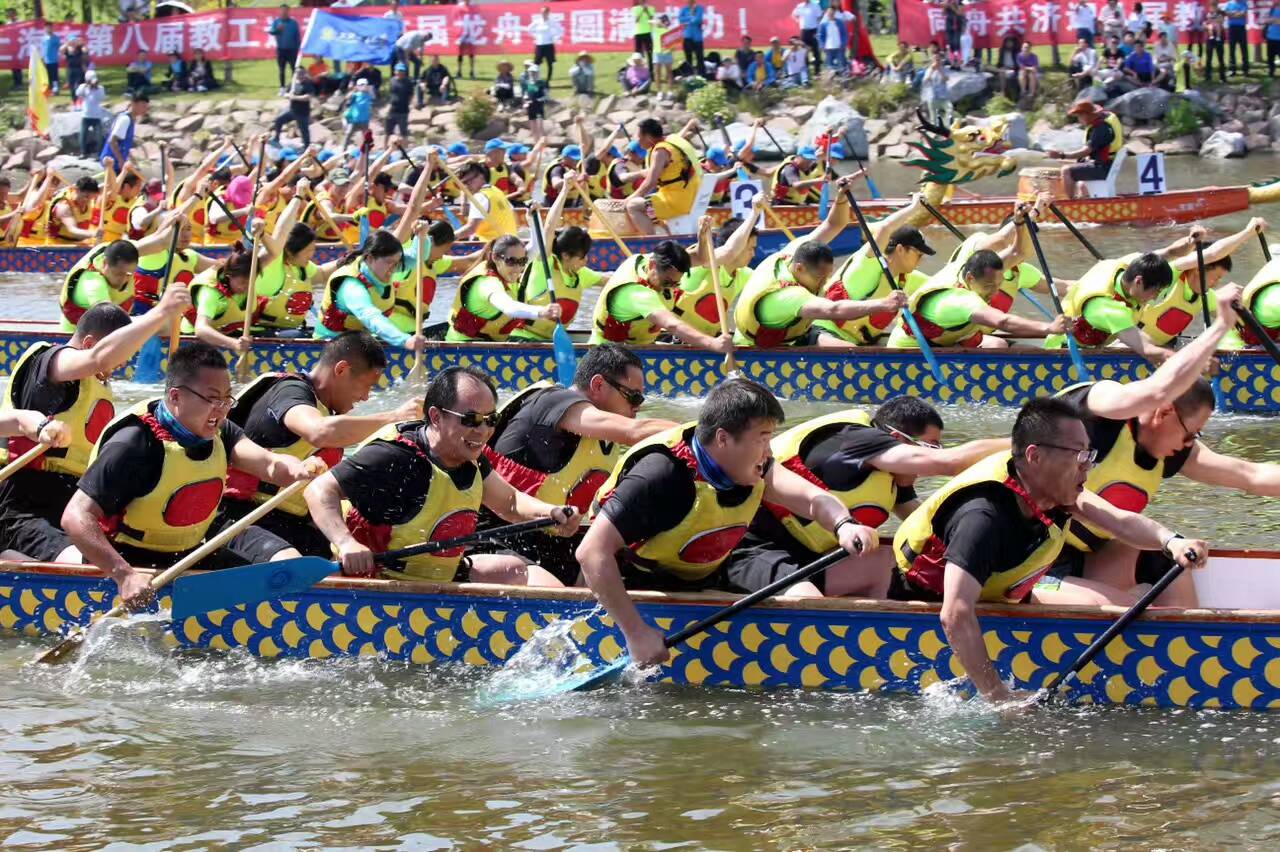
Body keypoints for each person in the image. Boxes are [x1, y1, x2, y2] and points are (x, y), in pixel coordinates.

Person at [891, 397, 1206, 704]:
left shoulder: (1056, 488)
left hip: (1004, 589)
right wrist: (998, 696)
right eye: (1078, 454)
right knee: (1104, 606)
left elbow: (1121, 522)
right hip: (931, 599)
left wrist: (1171, 541)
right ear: (1035, 456)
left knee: (1117, 604)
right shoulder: (982, 517)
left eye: (1090, 453)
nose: (1088, 465)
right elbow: (955, 615)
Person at [577, 378, 877, 664]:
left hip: (729, 556)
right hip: (645, 573)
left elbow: (813, 499)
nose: (769, 451)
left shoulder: (756, 464)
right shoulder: (661, 475)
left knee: (808, 602)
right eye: (762, 439)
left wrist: (844, 524)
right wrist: (635, 633)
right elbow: (591, 552)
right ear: (723, 438)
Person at [1036, 298, 1280, 609]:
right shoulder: (1101, 407)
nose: (1190, 443)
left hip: (1088, 553)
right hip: (1031, 554)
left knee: (1168, 560)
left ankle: (1185, 632)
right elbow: (1156, 389)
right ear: (1163, 413)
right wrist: (1221, 326)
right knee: (1128, 604)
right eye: (1189, 433)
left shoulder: (1172, 448)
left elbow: (1251, 476)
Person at [62, 343, 326, 605]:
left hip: (192, 551)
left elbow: (268, 464)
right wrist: (124, 575)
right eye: (212, 398)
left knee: (286, 572)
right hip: (131, 562)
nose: (221, 409)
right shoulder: (133, 444)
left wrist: (298, 469)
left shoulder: (221, 431)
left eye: (227, 398)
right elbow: (75, 516)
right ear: (176, 397)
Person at [305, 366, 580, 583]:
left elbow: (510, 503)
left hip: (436, 574)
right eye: (471, 420)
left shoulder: (470, 456)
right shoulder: (395, 456)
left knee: (517, 569)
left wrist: (551, 513)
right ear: (436, 417)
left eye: (491, 420)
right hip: (381, 581)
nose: (483, 431)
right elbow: (318, 490)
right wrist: (346, 543)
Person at [729, 397, 1009, 598]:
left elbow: (928, 526)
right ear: (898, 439)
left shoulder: (891, 480)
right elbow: (948, 463)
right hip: (753, 551)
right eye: (930, 447)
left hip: (805, 556)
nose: (932, 455)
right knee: (808, 600)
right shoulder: (855, 439)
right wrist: (1020, 443)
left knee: (889, 561)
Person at [0, 293, 191, 564]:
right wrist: (160, 312)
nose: (121, 364)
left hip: (76, 501)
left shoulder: (96, 385)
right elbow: (99, 358)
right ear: (89, 344)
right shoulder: (51, 361)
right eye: (120, 356)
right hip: (26, 505)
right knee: (90, 563)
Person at [484, 345, 677, 583]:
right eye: (634, 396)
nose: (639, 406)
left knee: (658, 573)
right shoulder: (555, 401)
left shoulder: (603, 434)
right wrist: (704, 433)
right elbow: (634, 431)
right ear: (598, 385)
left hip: (552, 542)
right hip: (497, 541)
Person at [223, 332, 422, 557]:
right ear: (341, 370)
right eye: (366, 386)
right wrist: (394, 417)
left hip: (288, 521)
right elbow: (318, 432)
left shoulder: (326, 409)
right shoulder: (290, 391)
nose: (366, 397)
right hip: (242, 517)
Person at [734, 186, 909, 348]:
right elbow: (834, 309)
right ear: (799, 268)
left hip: (798, 333)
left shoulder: (795, 251)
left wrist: (841, 198)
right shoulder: (787, 296)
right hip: (754, 347)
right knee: (852, 353)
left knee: (847, 348)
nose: (825, 284)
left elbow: (833, 224)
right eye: (819, 278)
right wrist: (884, 303)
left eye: (827, 276)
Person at [887, 246, 1068, 351]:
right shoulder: (960, 301)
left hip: (943, 346)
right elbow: (1003, 322)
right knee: (1006, 349)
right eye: (989, 286)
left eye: (998, 286)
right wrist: (1049, 328)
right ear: (970, 278)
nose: (994, 292)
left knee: (1015, 348)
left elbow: (1017, 251)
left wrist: (1022, 220)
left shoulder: (963, 268)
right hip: (909, 354)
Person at [812, 200, 933, 346]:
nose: (921, 260)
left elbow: (941, 284)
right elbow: (885, 229)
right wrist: (914, 207)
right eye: (919, 254)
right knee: (854, 353)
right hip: (824, 332)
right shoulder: (868, 261)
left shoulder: (906, 278)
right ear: (900, 249)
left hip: (859, 342)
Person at [318, 230, 426, 355]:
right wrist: (404, 340)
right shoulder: (352, 286)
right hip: (331, 348)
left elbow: (416, 257)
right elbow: (371, 316)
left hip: (356, 343)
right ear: (370, 258)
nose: (393, 269)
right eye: (390, 263)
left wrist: (421, 235)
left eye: (396, 263)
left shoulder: (380, 267)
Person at [446, 234, 559, 342]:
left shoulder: (507, 269)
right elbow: (509, 308)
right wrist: (542, 311)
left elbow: (537, 246)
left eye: (522, 261)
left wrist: (537, 221)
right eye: (511, 261)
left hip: (489, 344)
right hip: (464, 345)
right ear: (495, 257)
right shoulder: (487, 284)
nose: (517, 268)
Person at [623, 117, 702, 235]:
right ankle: (665, 234)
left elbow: (651, 182)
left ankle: (652, 242)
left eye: (639, 138)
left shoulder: (660, 151)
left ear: (648, 137)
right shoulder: (671, 141)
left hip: (676, 201)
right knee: (646, 202)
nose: (638, 142)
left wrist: (629, 198)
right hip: (686, 195)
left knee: (633, 206)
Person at [1046, 100, 1125, 199]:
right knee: (1077, 168)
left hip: (1104, 168)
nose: (1079, 120)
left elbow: (1086, 151)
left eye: (1079, 116)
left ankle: (1070, 203)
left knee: (1066, 171)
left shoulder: (1101, 128)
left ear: (1087, 115)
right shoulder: (1106, 118)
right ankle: (1082, 199)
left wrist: (1062, 155)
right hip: (1107, 164)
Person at [451, 160, 519, 243]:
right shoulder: (496, 191)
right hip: (510, 243)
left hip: (492, 245)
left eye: (469, 181)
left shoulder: (480, 197)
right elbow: (514, 215)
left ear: (481, 177)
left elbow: (470, 229)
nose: (466, 186)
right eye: (464, 183)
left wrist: (448, 238)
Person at [101, 92, 149, 170]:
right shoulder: (125, 119)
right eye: (143, 106)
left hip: (116, 162)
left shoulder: (131, 119)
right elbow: (112, 141)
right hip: (111, 162)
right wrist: (121, 160)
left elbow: (123, 144)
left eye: (147, 107)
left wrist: (133, 160)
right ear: (133, 104)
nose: (145, 110)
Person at [273, 66, 316, 147]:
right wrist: (288, 95)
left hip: (302, 112)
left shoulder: (307, 84)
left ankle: (306, 147)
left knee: (304, 131)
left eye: (302, 73)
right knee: (279, 120)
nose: (300, 75)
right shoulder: (293, 83)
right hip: (292, 110)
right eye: (298, 73)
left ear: (305, 73)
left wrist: (295, 97)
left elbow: (308, 97)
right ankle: (276, 138)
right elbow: (285, 94)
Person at [77, 70, 108, 158]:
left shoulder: (100, 88)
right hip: (86, 115)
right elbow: (78, 94)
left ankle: (98, 153)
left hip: (96, 115)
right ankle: (83, 152)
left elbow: (102, 97)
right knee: (83, 135)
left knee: (98, 136)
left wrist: (96, 88)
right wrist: (86, 86)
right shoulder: (83, 87)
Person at [267, 6, 299, 92]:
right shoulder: (277, 22)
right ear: (280, 11)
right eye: (282, 11)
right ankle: (282, 88)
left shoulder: (293, 22)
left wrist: (298, 48)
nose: (284, 12)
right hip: (281, 50)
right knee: (282, 69)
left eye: (286, 11)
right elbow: (271, 32)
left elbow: (297, 36)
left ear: (289, 12)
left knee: (294, 69)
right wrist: (277, 30)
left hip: (292, 50)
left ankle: (294, 87)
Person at [384, 63, 412, 145]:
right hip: (392, 110)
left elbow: (411, 95)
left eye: (402, 71)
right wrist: (388, 106)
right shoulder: (392, 81)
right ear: (395, 71)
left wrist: (409, 104)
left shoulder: (408, 82)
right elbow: (390, 94)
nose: (400, 73)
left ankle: (405, 150)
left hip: (403, 111)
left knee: (404, 133)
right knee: (388, 132)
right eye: (399, 71)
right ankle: (384, 147)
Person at [921, 52, 952, 127]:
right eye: (935, 59)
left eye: (938, 59)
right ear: (932, 60)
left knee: (949, 108)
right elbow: (925, 81)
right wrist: (932, 71)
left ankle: (947, 126)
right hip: (932, 95)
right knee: (933, 115)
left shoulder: (945, 69)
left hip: (943, 95)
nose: (937, 61)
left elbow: (946, 79)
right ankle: (934, 128)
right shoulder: (929, 70)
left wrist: (940, 70)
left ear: (941, 60)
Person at [792, 0, 823, 75]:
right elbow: (794, 14)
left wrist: (817, 26)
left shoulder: (815, 6)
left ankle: (817, 71)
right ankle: (806, 71)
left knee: (815, 51)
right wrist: (798, 20)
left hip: (813, 31)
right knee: (804, 52)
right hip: (804, 31)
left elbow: (820, 16)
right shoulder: (800, 6)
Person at [342, 79, 374, 149]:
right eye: (362, 85)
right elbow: (347, 100)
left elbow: (373, 98)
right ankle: (343, 149)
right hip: (354, 119)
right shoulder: (355, 95)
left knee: (366, 136)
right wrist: (353, 90)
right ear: (358, 86)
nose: (364, 86)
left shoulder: (369, 95)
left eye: (365, 84)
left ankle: (366, 151)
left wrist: (369, 89)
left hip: (365, 120)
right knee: (348, 134)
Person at [529, 6, 557, 81]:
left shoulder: (552, 21)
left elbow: (560, 30)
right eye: (542, 12)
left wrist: (554, 37)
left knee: (550, 63)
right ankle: (536, 79)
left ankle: (548, 79)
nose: (543, 14)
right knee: (536, 63)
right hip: (540, 45)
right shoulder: (537, 21)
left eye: (545, 12)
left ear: (548, 13)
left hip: (549, 45)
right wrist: (535, 37)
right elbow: (529, 29)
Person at [522, 62, 549, 139]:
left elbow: (546, 96)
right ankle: (536, 142)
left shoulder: (542, 83)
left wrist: (538, 100)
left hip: (539, 106)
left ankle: (543, 142)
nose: (533, 74)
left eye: (534, 72)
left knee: (540, 125)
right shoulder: (528, 83)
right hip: (530, 106)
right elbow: (525, 94)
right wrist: (525, 101)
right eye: (531, 72)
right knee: (533, 127)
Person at [679, 0, 706, 75]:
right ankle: (689, 73)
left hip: (697, 37)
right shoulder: (684, 9)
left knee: (699, 57)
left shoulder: (699, 9)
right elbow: (680, 20)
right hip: (687, 36)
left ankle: (701, 73)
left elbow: (698, 20)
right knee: (688, 57)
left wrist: (688, 20)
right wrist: (691, 17)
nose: (690, 2)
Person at [1223, 0, 1249, 75]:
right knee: (1232, 49)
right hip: (1232, 28)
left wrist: (1232, 14)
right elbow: (1226, 13)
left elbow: (1243, 14)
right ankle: (1232, 70)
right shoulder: (1229, 3)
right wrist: (1237, 13)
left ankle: (1245, 69)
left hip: (1241, 28)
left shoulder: (1244, 2)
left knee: (1243, 49)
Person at [456, 0, 479, 80]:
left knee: (471, 53)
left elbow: (477, 16)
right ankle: (459, 72)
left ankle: (472, 72)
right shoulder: (459, 6)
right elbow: (455, 16)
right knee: (460, 53)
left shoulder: (474, 5)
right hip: (461, 31)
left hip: (471, 32)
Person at [633, 0, 656, 68]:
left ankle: (651, 70)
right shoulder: (635, 8)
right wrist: (642, 10)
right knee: (638, 53)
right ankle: (639, 69)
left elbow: (651, 19)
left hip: (648, 33)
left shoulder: (651, 8)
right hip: (638, 33)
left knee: (650, 52)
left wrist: (647, 11)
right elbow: (636, 20)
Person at [41, 21, 61, 95]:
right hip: (45, 60)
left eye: (50, 27)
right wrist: (42, 58)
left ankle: (56, 89)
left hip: (53, 60)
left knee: (54, 75)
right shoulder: (43, 38)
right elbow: (43, 49)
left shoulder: (56, 38)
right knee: (46, 75)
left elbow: (59, 48)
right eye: (47, 27)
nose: (48, 29)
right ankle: (48, 89)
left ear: (52, 28)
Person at [1267, 3, 1280, 76]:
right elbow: (1267, 20)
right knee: (1270, 57)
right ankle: (1271, 71)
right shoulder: (1272, 9)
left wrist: (1273, 20)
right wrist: (1274, 20)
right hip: (1270, 37)